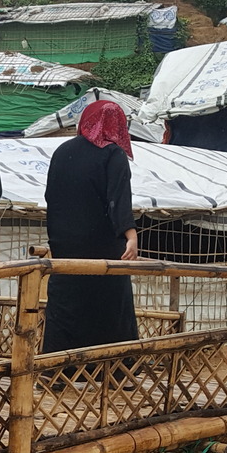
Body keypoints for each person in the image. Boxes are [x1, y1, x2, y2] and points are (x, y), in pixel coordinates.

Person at [42, 99, 141, 355]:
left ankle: (54, 370)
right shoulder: (112, 153)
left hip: (65, 244)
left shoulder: (62, 151)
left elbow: (51, 197)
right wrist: (130, 234)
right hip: (103, 247)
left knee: (66, 305)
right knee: (110, 305)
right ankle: (118, 370)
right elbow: (117, 200)